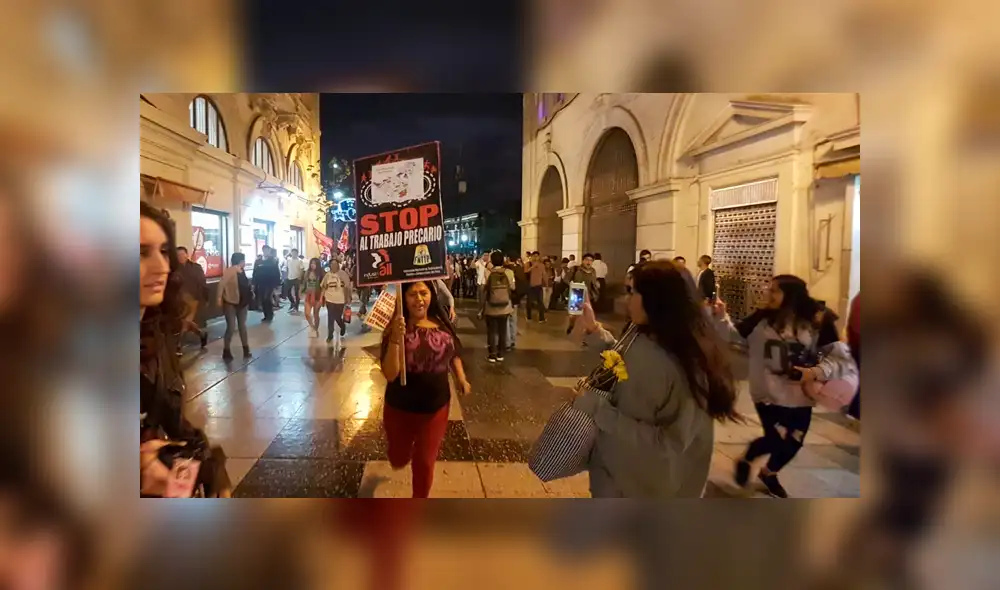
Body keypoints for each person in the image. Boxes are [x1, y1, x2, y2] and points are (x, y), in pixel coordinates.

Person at [570, 260, 741, 497]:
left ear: (657, 298)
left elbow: (670, 443)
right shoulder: (642, 331)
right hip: (614, 472)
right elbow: (625, 362)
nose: (626, 299)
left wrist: (598, 410)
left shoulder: (687, 364)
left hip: (645, 488)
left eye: (633, 292)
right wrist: (594, 331)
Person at [712, 275, 854, 498]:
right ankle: (748, 458)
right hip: (767, 393)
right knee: (776, 438)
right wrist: (721, 317)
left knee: (794, 442)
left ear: (791, 295)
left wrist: (813, 372)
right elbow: (735, 339)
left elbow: (836, 358)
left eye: (775, 291)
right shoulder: (762, 318)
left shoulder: (817, 321)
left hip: (801, 394)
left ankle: (769, 472)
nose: (768, 294)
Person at [140, 202, 230, 497]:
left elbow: (172, 420)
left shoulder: (156, 332)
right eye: (141, 253)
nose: (162, 267)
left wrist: (210, 466)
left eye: (163, 251)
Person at [380, 281, 471, 498]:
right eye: (412, 294)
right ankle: (399, 452)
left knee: (425, 461)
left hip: (436, 408)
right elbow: (390, 374)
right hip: (399, 407)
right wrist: (395, 338)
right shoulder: (395, 327)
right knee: (398, 458)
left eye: (424, 293)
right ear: (404, 298)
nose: (419, 299)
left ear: (432, 295)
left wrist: (461, 377)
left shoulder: (442, 322)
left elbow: (453, 352)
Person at [217, 252, 252, 361]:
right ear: (240, 261)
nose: (244, 263)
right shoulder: (230, 271)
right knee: (231, 327)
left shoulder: (242, 271)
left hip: (242, 303)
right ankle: (226, 350)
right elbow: (221, 284)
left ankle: (246, 349)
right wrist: (218, 298)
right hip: (231, 302)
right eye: (243, 261)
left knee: (242, 326)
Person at [481, 251, 514, 362]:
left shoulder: (488, 272)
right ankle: (500, 354)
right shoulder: (509, 272)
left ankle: (492, 354)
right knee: (502, 330)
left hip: (491, 306)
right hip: (505, 306)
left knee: (491, 331)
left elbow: (485, 288)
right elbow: (513, 287)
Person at [175, 246, 209, 349]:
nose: (180, 257)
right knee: (185, 322)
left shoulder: (196, 267)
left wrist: (206, 297)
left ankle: (179, 345)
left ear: (187, 255)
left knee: (185, 321)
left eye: (182, 254)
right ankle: (201, 334)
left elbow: (203, 283)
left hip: (193, 300)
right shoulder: (174, 269)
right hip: (178, 300)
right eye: (178, 255)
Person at [321, 259, 352, 347]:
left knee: (337, 316)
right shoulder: (327, 275)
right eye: (332, 264)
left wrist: (348, 298)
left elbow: (347, 287)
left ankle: (342, 325)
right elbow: (323, 287)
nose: (334, 266)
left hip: (340, 299)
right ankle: (330, 334)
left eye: (336, 264)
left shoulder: (343, 274)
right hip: (329, 299)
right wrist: (321, 298)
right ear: (329, 265)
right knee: (330, 316)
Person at [253, 246, 281, 321]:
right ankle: (266, 315)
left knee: (267, 298)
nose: (266, 252)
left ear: (269, 251)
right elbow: (254, 273)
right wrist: (254, 283)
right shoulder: (258, 261)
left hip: (270, 283)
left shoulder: (273, 261)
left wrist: (277, 283)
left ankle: (270, 314)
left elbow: (277, 272)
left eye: (267, 250)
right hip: (260, 283)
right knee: (262, 299)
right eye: (264, 250)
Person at [302, 257, 325, 338]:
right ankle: (312, 327)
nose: (312, 265)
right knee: (307, 314)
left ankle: (315, 329)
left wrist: (321, 298)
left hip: (317, 295)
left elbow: (323, 287)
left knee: (316, 314)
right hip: (308, 294)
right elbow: (304, 283)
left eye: (314, 263)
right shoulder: (307, 272)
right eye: (311, 263)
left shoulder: (321, 273)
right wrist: (301, 292)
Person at [524, 251, 547, 323]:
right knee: (529, 302)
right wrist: (533, 267)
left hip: (539, 285)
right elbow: (525, 271)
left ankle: (541, 318)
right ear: (532, 256)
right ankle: (529, 317)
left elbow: (544, 275)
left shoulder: (542, 265)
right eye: (534, 256)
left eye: (537, 256)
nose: (536, 257)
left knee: (540, 302)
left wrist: (546, 284)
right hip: (530, 286)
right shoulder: (528, 264)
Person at [284, 248, 305, 313]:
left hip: (296, 279)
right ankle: (292, 303)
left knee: (296, 293)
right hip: (289, 278)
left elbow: (302, 269)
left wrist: (300, 277)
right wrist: (286, 276)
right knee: (288, 292)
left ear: (297, 253)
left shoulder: (300, 261)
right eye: (293, 253)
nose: (294, 254)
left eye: (295, 253)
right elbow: (287, 268)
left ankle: (296, 307)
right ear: (291, 253)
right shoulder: (288, 260)